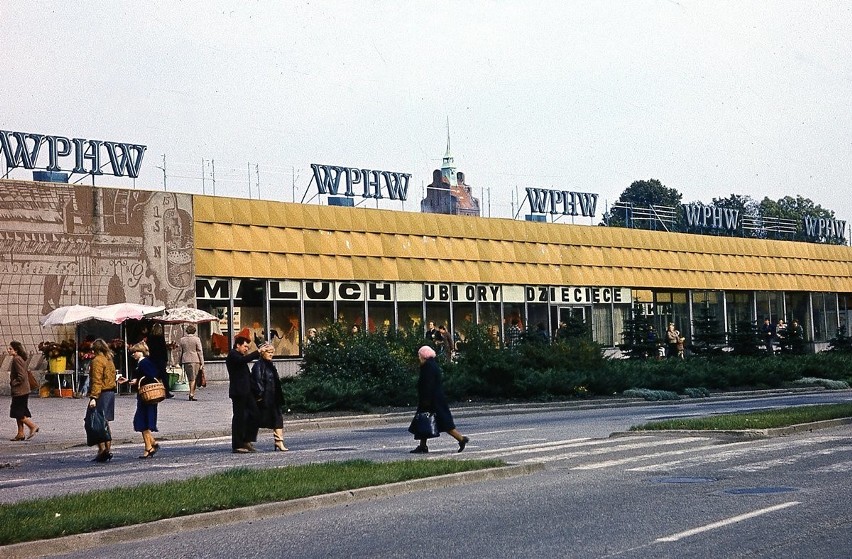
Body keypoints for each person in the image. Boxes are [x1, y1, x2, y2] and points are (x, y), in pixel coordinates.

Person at [408, 345, 469, 454]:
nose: (418, 358)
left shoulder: (428, 367)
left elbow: (428, 384)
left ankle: (461, 439)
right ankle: (423, 446)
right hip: (435, 399)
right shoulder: (432, 365)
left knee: (443, 422)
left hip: (431, 401)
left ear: (423, 356)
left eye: (419, 355)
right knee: (423, 422)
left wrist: (426, 400)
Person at [227, 335, 261, 453]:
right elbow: (243, 360)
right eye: (245, 346)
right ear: (238, 345)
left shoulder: (240, 356)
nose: (246, 349)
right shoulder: (233, 355)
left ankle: (247, 439)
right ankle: (237, 444)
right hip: (238, 392)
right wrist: (258, 352)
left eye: (248, 347)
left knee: (255, 414)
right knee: (239, 418)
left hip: (247, 391)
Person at [251, 342, 287, 451]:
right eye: (269, 352)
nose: (271, 354)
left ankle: (279, 441)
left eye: (272, 352)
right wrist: (259, 395)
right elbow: (257, 381)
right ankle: (246, 441)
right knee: (255, 420)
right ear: (263, 353)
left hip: (273, 397)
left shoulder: (270, 365)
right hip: (264, 398)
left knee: (277, 419)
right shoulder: (258, 365)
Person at [128, 342, 161, 459]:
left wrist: (138, 381)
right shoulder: (142, 363)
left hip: (147, 396)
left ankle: (149, 447)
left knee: (142, 421)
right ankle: (151, 444)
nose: (132, 355)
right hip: (145, 395)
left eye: (134, 352)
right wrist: (133, 381)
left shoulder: (144, 363)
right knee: (142, 421)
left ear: (139, 352)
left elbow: (151, 375)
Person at [87, 339, 116, 462]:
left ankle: (102, 449)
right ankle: (107, 449)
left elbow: (96, 380)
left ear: (95, 349)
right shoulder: (109, 359)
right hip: (110, 392)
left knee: (95, 422)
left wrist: (93, 397)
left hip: (101, 393)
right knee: (104, 422)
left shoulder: (97, 361)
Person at [8, 341, 38, 441]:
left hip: (20, 391)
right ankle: (20, 433)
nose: (8, 350)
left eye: (10, 348)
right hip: (23, 390)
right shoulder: (19, 358)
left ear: (16, 350)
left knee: (17, 412)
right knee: (20, 412)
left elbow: (21, 376)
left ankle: (32, 426)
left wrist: (13, 383)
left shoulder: (16, 359)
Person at [179, 324, 204, 401]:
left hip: (185, 359)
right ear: (194, 331)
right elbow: (199, 351)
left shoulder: (182, 340)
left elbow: (180, 351)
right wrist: (202, 362)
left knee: (190, 377)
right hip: (195, 359)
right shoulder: (197, 339)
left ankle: (191, 392)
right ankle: (191, 394)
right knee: (194, 378)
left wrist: (179, 361)